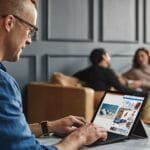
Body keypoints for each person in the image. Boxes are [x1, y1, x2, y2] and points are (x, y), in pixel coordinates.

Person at [0, 0, 107, 149]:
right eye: (30, 30)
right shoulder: (3, 83)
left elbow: (7, 133)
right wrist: (80, 137)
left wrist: (50, 126)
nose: (30, 40)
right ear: (9, 22)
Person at [73, 48, 147, 95]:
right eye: (108, 55)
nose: (109, 57)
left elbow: (73, 77)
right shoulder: (107, 72)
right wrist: (143, 93)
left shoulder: (86, 71)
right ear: (104, 57)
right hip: (104, 99)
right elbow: (121, 89)